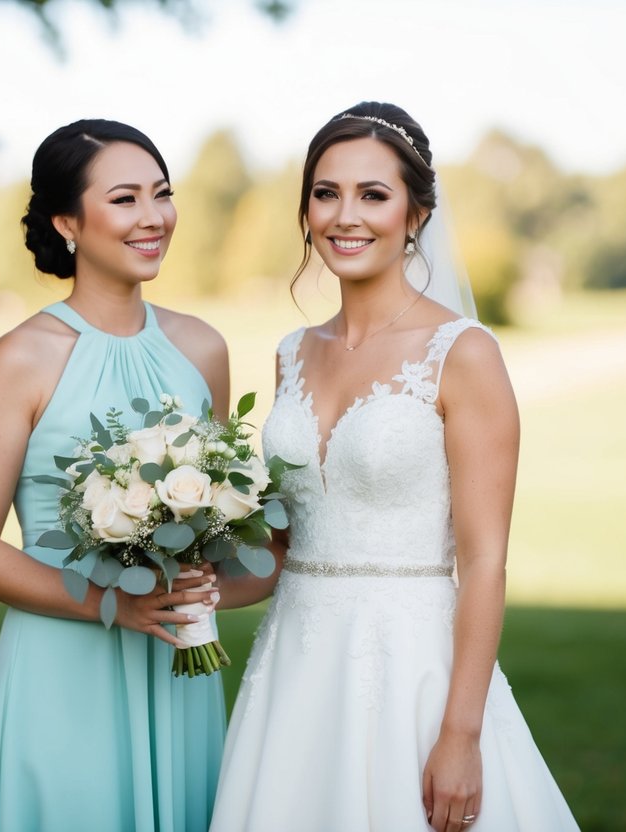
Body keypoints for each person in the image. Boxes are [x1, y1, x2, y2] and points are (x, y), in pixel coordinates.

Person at [209, 103, 579, 831]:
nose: (345, 216)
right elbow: (285, 551)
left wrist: (460, 735)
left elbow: (484, 561)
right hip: (293, 673)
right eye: (326, 192)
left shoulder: (462, 353)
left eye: (372, 194)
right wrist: (191, 587)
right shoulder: (290, 353)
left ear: (415, 213)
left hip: (413, 673)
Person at [0, 119, 229, 832]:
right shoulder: (23, 357)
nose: (153, 217)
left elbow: (219, 523)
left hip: (176, 662)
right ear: (67, 221)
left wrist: (209, 579)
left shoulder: (202, 348)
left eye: (161, 194)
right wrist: (109, 604)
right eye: (125, 199)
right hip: (62, 655)